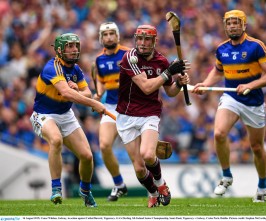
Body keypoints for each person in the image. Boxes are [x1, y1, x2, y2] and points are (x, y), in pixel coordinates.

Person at [191, 10, 266, 202]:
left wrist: (250, 85)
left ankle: (263, 185)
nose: (232, 26)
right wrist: (205, 84)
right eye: (229, 23)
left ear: (244, 25)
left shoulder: (256, 46)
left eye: (236, 23)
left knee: (256, 147)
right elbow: (217, 71)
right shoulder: (222, 49)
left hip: (254, 101)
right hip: (231, 98)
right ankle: (226, 176)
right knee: (219, 133)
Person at [116, 24, 190, 208]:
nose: (142, 43)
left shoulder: (162, 61)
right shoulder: (130, 58)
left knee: (148, 155)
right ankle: (153, 192)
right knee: (140, 168)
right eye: (139, 38)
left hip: (150, 112)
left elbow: (170, 92)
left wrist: (179, 83)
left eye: (147, 39)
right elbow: (147, 86)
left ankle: (161, 184)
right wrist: (168, 73)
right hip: (126, 115)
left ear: (154, 41)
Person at [30, 33, 106, 207]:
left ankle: (85, 191)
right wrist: (93, 103)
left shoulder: (76, 69)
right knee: (56, 140)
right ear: (59, 50)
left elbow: (85, 91)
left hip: (66, 115)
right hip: (44, 114)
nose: (74, 50)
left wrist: (79, 92)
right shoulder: (53, 67)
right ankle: (56, 189)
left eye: (75, 46)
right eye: (69, 46)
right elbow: (66, 92)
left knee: (87, 156)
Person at [93, 22, 130, 201]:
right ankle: (119, 184)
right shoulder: (99, 60)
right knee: (104, 145)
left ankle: (156, 184)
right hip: (111, 107)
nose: (109, 37)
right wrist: (99, 93)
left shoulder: (128, 54)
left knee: (138, 155)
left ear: (117, 36)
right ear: (101, 38)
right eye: (105, 34)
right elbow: (100, 79)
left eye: (112, 34)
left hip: (131, 107)